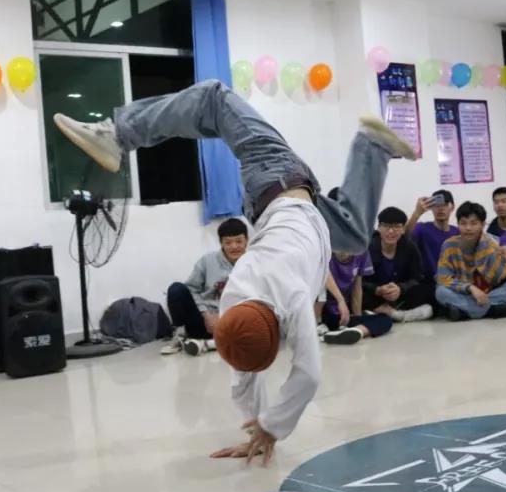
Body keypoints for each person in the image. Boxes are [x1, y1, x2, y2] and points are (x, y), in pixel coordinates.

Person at [53, 79, 415, 464]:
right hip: (295, 200)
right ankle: (371, 146)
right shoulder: (241, 294)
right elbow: (269, 371)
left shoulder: (278, 301)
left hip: (276, 179)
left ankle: (116, 135)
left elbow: (293, 374)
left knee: (213, 98)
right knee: (356, 236)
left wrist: (267, 427)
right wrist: (265, 425)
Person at [163, 217, 248, 356]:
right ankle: (181, 336)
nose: (234, 246)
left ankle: (206, 344)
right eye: (228, 242)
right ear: (221, 243)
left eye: (239, 241)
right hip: (206, 323)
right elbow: (191, 289)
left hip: (235, 323)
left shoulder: (254, 263)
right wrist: (206, 314)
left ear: (246, 241)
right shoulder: (207, 261)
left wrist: (227, 318)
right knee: (176, 289)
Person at [434, 202, 506, 320]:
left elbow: (499, 277)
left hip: (489, 292)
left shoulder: (492, 242)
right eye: (463, 223)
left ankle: (464, 311)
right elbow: (443, 278)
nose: (468, 228)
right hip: (462, 292)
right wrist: (470, 288)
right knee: (440, 292)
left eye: (473, 223)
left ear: (482, 225)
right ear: (458, 224)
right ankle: (494, 310)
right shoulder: (449, 245)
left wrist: (488, 249)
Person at [363, 207, 434, 323]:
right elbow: (359, 281)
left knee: (429, 289)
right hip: (376, 294)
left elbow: (418, 277)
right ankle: (396, 314)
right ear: (379, 228)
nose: (391, 231)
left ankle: (383, 312)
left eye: (396, 226)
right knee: (358, 294)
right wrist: (377, 289)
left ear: (403, 230)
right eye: (386, 226)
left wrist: (401, 288)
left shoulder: (410, 247)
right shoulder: (368, 248)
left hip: (400, 294)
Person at [320, 251, 394, 344]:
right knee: (320, 290)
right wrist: (340, 300)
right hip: (322, 309)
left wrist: (357, 319)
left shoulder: (362, 251)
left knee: (385, 319)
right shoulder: (325, 249)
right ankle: (319, 327)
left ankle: (356, 331)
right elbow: (324, 275)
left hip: (342, 314)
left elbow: (357, 287)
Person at [404, 190, 460, 280]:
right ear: (431, 207)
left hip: (451, 281)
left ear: (452, 207)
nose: (440, 208)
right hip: (426, 282)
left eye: (445, 204)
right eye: (436, 205)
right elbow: (404, 236)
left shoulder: (457, 232)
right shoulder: (422, 229)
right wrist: (417, 213)